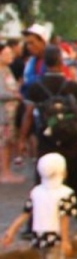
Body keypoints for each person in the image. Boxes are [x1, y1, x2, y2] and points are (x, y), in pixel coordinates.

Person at [20, 46, 77, 232]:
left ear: (45, 63)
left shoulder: (35, 88)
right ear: (60, 62)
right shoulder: (72, 86)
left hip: (47, 139)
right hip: (71, 139)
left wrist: (22, 139)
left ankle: (33, 223)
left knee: (41, 180)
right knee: (76, 179)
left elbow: (28, 115)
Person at [2, 153, 77, 259]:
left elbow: (25, 214)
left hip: (38, 235)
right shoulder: (66, 193)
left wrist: (11, 231)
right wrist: (65, 240)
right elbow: (64, 219)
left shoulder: (36, 191)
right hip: (55, 236)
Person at [0, 43, 25, 183]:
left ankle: (6, 170)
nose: (11, 56)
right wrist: (14, 95)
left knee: (9, 142)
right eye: (7, 54)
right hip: (3, 114)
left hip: (11, 113)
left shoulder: (6, 69)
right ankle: (5, 172)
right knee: (4, 143)